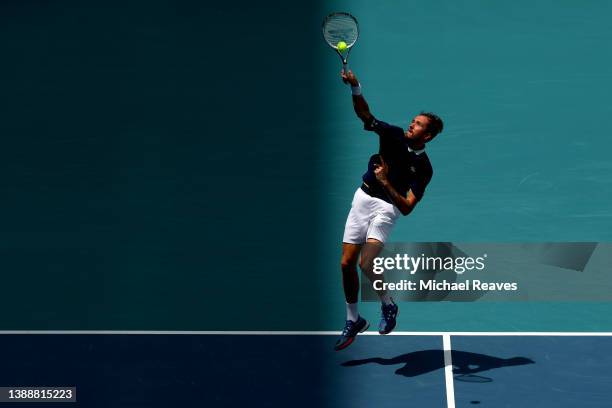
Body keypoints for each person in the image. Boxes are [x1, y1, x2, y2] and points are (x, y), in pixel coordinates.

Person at [335, 70, 444, 351]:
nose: (411, 125)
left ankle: (388, 303)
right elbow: (365, 115)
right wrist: (356, 87)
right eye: (413, 121)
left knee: (365, 264)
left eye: (418, 124)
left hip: (387, 209)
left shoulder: (424, 168)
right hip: (362, 199)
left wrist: (386, 182)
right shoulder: (393, 135)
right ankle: (353, 319)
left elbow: (406, 207)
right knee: (346, 264)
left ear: (428, 135)